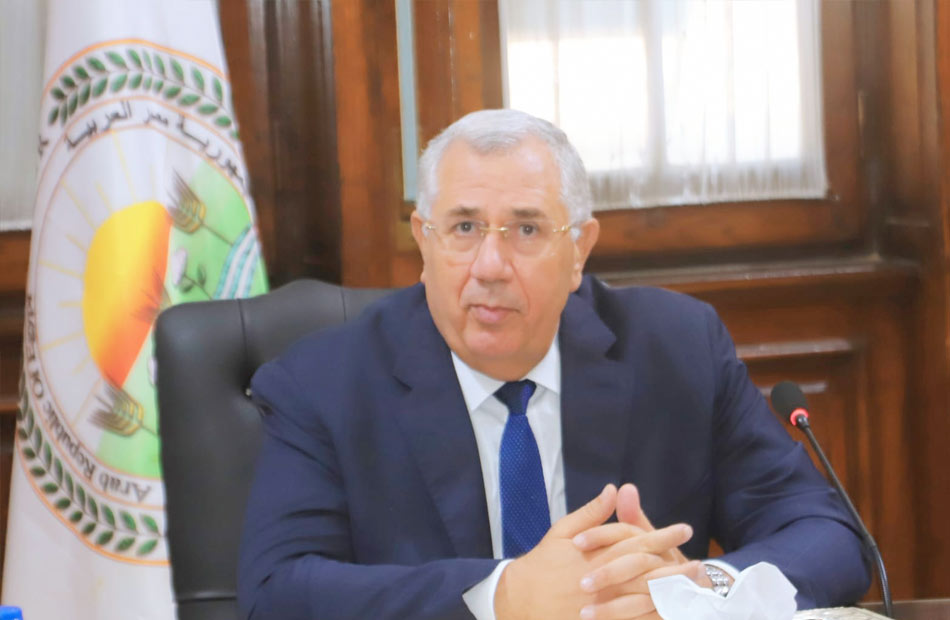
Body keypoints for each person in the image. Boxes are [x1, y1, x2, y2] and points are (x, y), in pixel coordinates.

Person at [237, 109, 870, 620]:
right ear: (424, 242)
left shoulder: (677, 349)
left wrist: (702, 587)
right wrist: (503, 596)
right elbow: (276, 593)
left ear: (579, 251)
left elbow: (828, 535)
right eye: (463, 228)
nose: (490, 266)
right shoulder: (323, 383)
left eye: (527, 230)